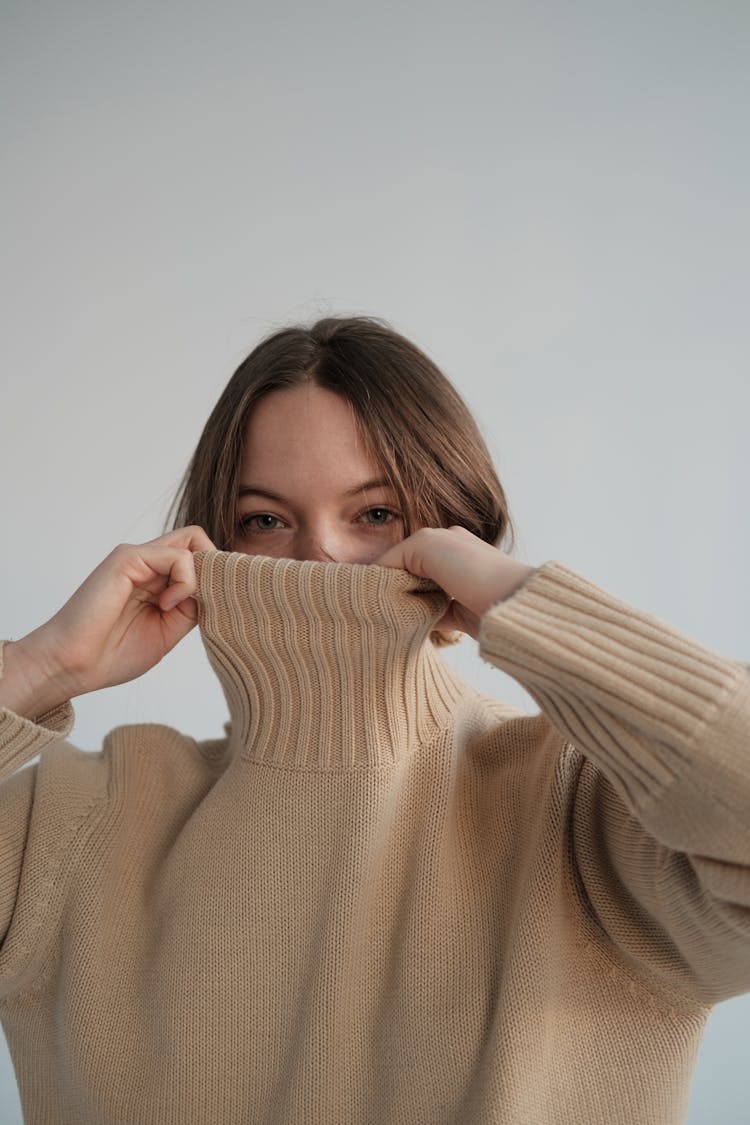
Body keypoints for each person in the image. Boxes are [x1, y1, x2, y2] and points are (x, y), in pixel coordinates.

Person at [0, 315, 747, 1125]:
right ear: (209, 543)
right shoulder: (70, 823)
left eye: (375, 514)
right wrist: (36, 670)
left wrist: (524, 604)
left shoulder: (579, 815)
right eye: (265, 520)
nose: (321, 557)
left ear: (449, 531)